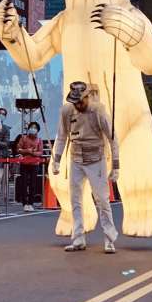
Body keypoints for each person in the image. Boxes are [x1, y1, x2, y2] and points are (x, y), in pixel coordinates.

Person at [52, 81, 119, 253]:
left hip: (96, 158)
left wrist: (116, 165)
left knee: (102, 200)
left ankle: (109, 239)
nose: (78, 105)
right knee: (75, 200)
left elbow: (112, 138)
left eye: (80, 101)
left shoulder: (98, 110)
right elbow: (61, 136)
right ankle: (78, 238)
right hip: (75, 158)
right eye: (75, 102)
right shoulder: (67, 110)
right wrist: (56, 160)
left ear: (87, 96)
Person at [17, 121, 43, 212]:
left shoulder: (39, 140)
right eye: (31, 127)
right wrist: (27, 151)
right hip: (24, 164)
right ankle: (24, 203)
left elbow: (40, 152)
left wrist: (33, 153)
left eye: (35, 128)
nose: (33, 129)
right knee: (23, 184)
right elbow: (18, 149)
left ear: (37, 130)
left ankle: (31, 203)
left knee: (33, 184)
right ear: (28, 129)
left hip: (34, 164)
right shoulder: (23, 138)